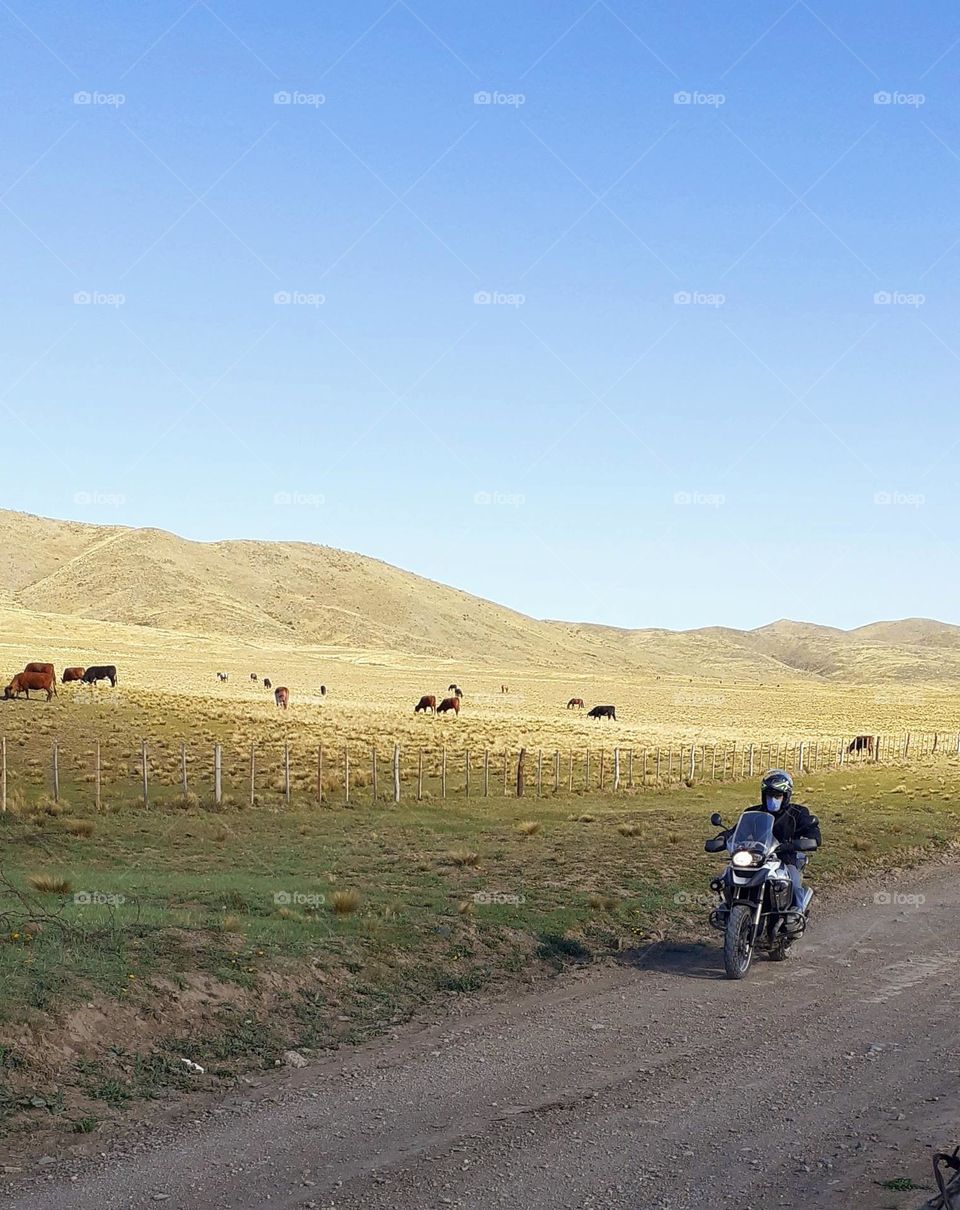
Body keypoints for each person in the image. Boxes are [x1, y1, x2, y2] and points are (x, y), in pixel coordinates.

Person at [746, 769, 821, 910]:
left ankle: (796, 913)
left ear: (786, 796)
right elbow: (738, 830)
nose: (772, 799)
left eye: (777, 795)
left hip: (786, 859)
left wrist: (808, 840)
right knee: (727, 876)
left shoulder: (797, 813)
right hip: (756, 858)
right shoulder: (753, 813)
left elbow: (813, 833)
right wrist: (722, 838)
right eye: (769, 795)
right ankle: (726, 908)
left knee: (793, 882)